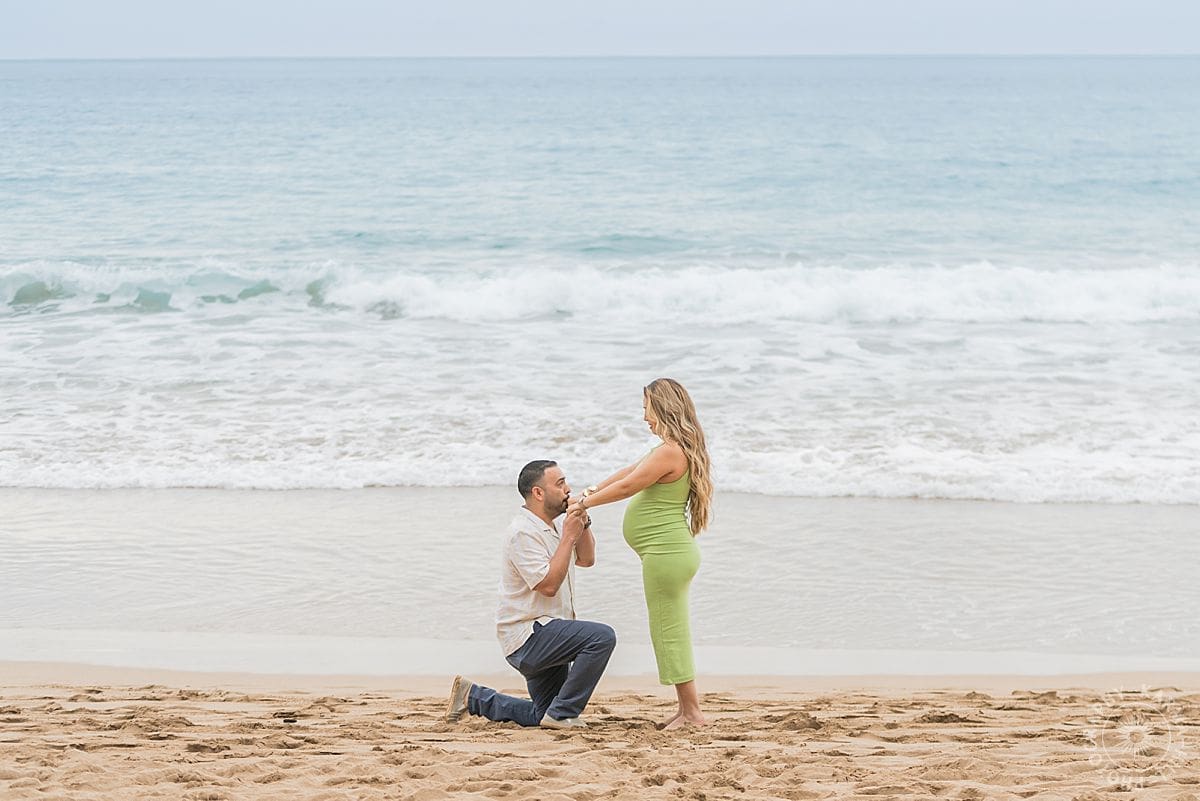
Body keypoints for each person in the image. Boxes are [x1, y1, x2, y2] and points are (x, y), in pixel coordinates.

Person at [567, 378, 713, 729]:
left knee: (669, 630)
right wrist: (590, 490)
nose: (643, 415)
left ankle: (692, 713)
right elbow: (628, 473)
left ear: (662, 407)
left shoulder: (670, 451)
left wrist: (584, 504)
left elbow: (631, 486)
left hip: (667, 554)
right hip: (667, 553)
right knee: (668, 628)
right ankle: (685, 709)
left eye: (646, 406)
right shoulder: (670, 448)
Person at [445, 459, 616, 730]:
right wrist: (569, 536)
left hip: (551, 632)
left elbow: (586, 559)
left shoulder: (554, 528)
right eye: (560, 484)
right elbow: (547, 585)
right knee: (601, 637)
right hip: (529, 637)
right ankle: (563, 714)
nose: (568, 489)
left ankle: (473, 697)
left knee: (542, 715)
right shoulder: (522, 532)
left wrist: (582, 523)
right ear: (538, 493)